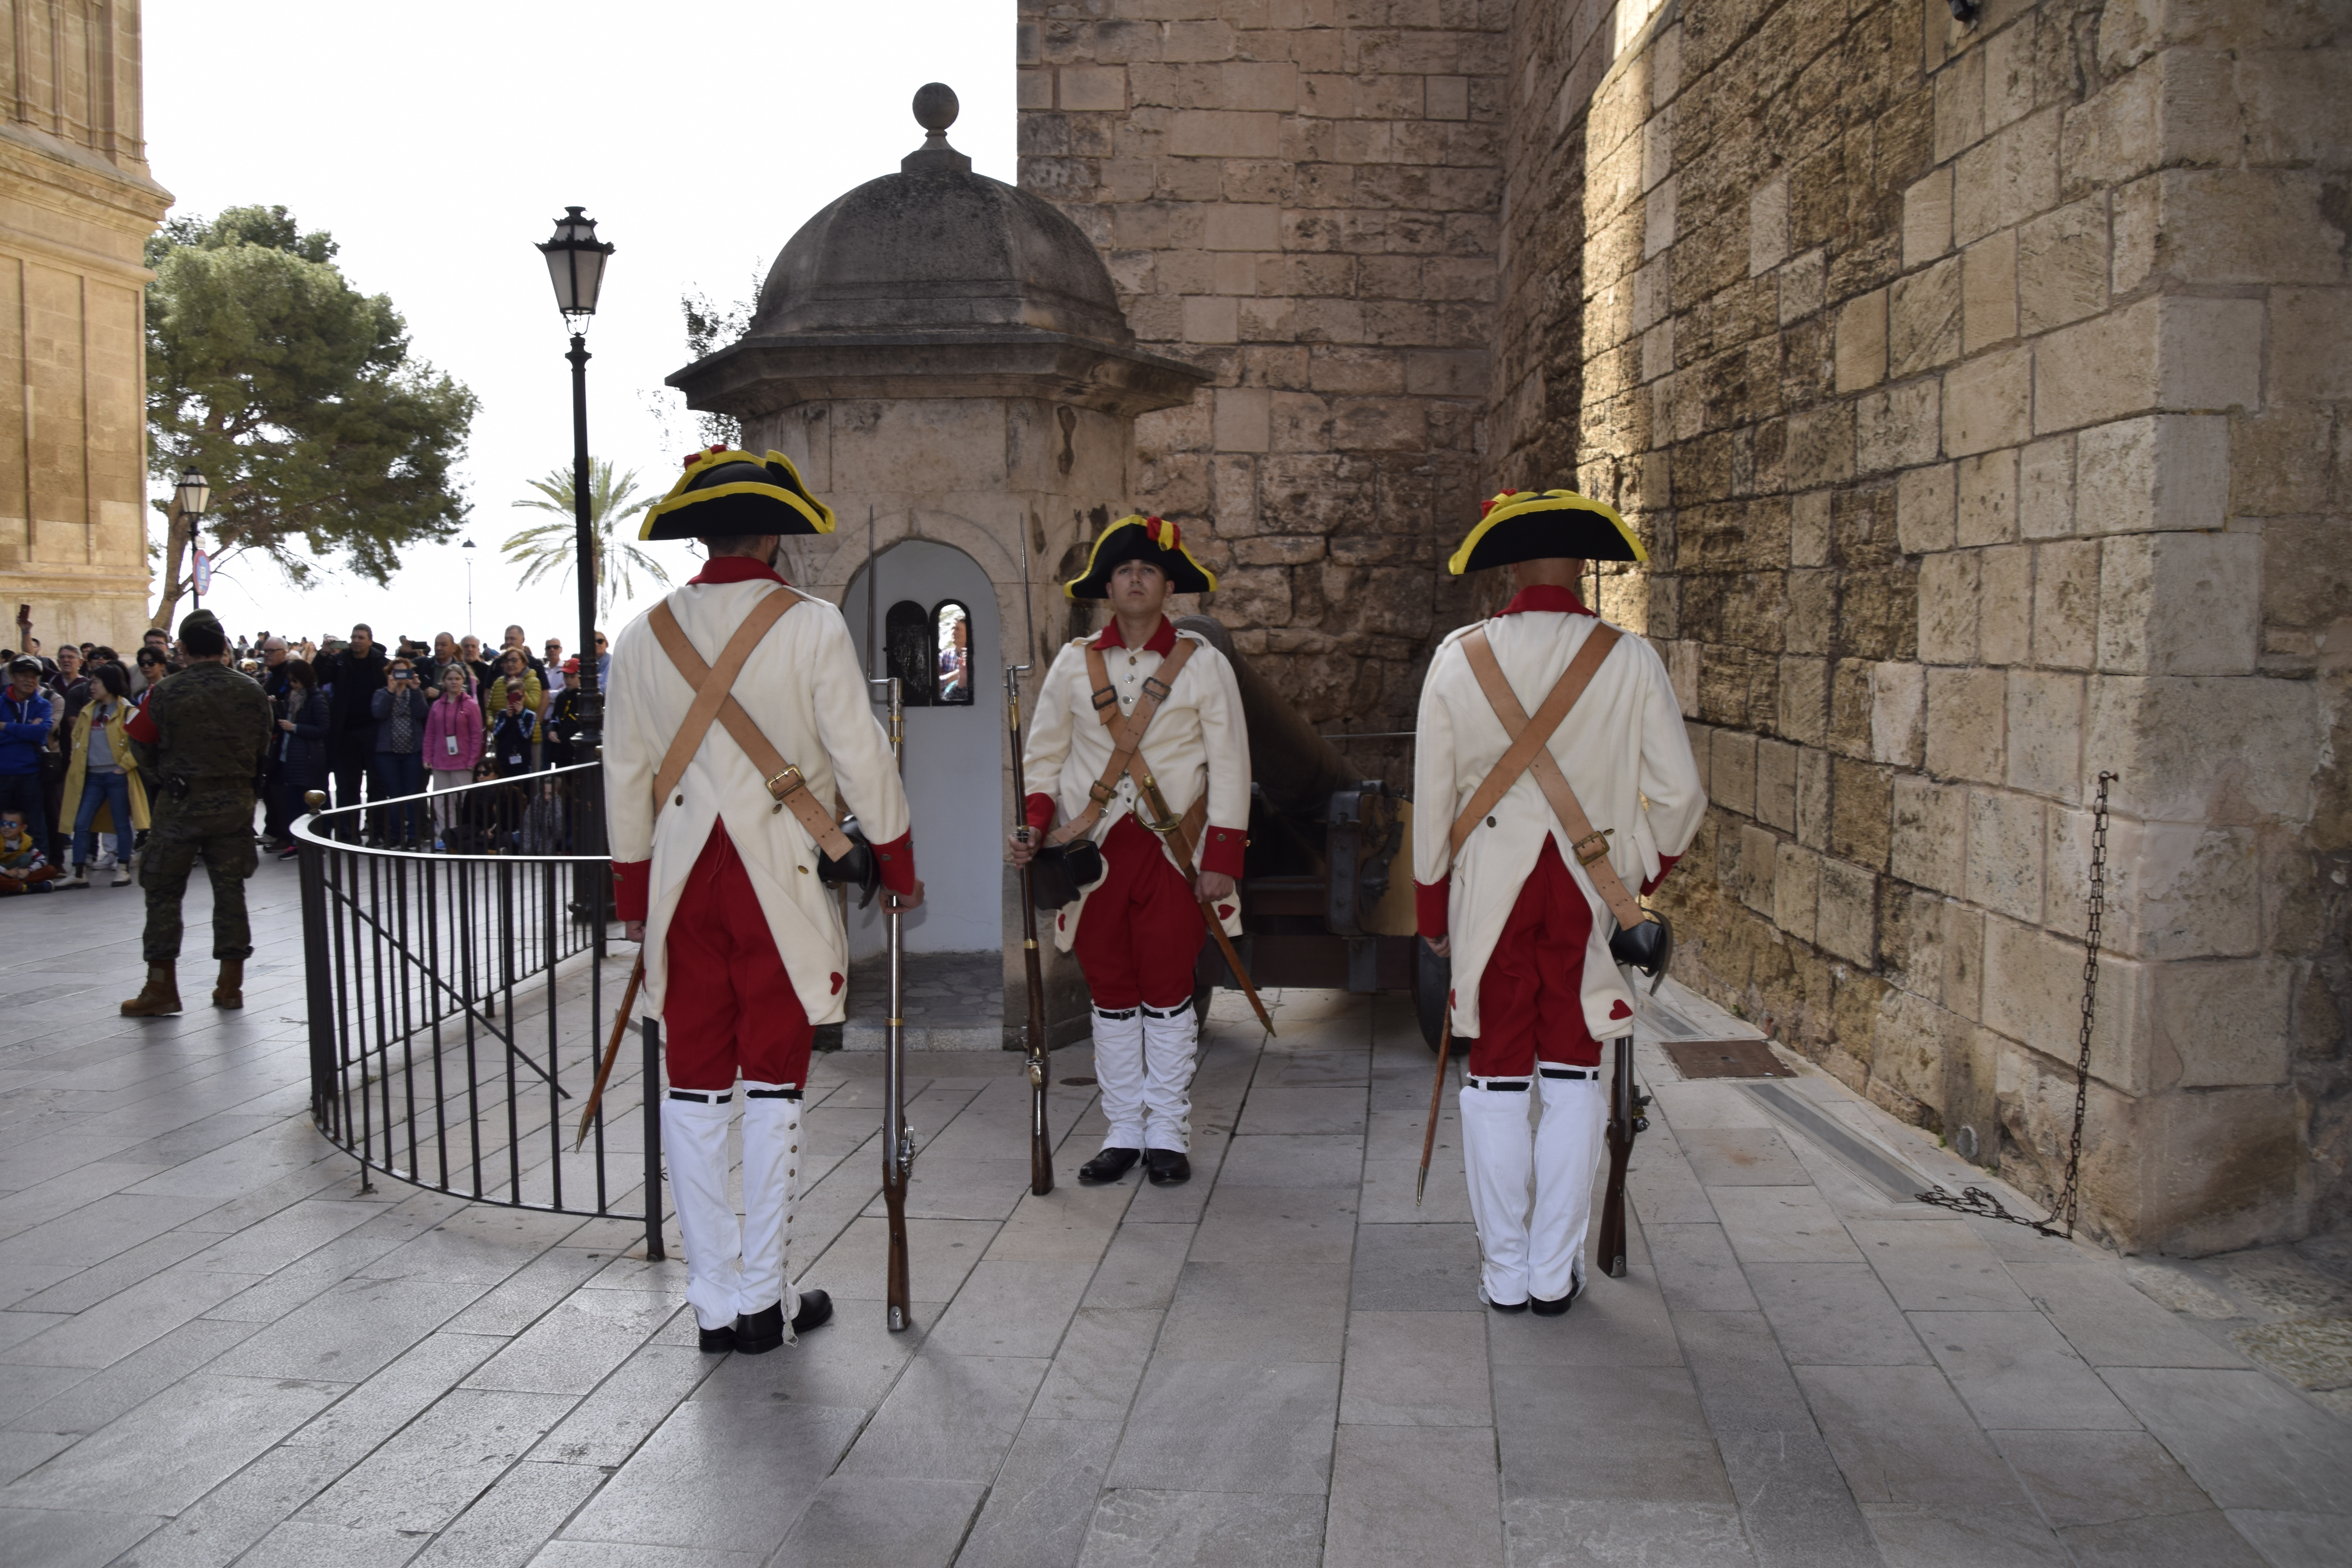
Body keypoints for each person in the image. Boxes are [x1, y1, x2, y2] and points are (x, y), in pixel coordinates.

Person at [608, 446, 924, 1355]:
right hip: (778, 884)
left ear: (696, 533)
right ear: (777, 536)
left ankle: (714, 1302)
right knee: (774, 1085)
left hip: (680, 890)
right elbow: (861, 756)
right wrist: (896, 864)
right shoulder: (810, 624)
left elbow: (625, 775)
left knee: (696, 1086)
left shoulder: (642, 634)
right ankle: (763, 1298)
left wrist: (634, 893)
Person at [1412, 489, 1706, 1316]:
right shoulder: (1629, 657)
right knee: (1574, 1079)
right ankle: (1551, 1273)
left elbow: (1432, 807)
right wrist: (1632, 880)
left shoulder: (1459, 657)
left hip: (1490, 901)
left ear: (1506, 564)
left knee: (1497, 1081)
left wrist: (1433, 915)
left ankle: (1503, 1272)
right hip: (1588, 897)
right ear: (1582, 564)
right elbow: (1679, 797)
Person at [1007, 514, 1249, 1189]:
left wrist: (1222, 858)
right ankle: (1122, 1131)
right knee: (1111, 993)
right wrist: (1035, 823)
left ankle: (1167, 1133)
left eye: (1147, 569)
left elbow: (1230, 764)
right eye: (1123, 570)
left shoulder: (1205, 666)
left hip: (1176, 853)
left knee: (1169, 992)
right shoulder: (1073, 662)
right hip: (1097, 855)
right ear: (1107, 587)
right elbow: (1045, 756)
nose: (1135, 579)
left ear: (1168, 585)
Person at [119, 609, 274, 1017]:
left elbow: (139, 743)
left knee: (164, 891)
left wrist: (166, 777)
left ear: (182, 649)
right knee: (230, 890)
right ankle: (230, 985)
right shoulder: (252, 690)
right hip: (235, 804)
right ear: (224, 647)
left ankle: (161, 988)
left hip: (182, 804)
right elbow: (264, 745)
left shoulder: (167, 691)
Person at [59, 663, 143, 888]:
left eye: (96, 682)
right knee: (81, 822)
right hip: (92, 776)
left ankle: (123, 868)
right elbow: (76, 741)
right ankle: (78, 872)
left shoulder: (128, 711)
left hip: (116, 775)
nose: (91, 686)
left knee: (121, 823)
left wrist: (122, 768)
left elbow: (140, 745)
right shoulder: (89, 711)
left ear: (110, 684)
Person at [324, 623, 387, 842]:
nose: (356, 641)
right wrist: (324, 653)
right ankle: (347, 832)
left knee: (376, 787)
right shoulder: (340, 661)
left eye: (361, 637)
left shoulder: (381, 663)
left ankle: (378, 831)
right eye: (353, 637)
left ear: (370, 640)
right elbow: (318, 676)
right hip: (345, 732)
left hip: (373, 730)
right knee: (347, 786)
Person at [272, 659, 330, 860]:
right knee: (295, 803)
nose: (292, 685)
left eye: (295, 681)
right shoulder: (292, 698)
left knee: (309, 804)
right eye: (290, 681)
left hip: (307, 759)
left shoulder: (316, 699)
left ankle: (314, 843)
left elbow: (323, 729)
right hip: (291, 757)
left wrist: (294, 728)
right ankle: (299, 842)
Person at [370, 656, 431, 848]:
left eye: (405, 672)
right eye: (396, 673)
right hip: (388, 752)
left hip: (412, 751)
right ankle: (396, 834)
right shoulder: (381, 693)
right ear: (390, 674)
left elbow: (423, 713)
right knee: (394, 794)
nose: (401, 677)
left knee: (413, 793)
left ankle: (415, 834)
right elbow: (378, 713)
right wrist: (391, 691)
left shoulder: (415, 692)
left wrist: (415, 690)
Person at [0, 656, 54, 859]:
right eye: (24, 675)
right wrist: (26, 730)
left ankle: (39, 866)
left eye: (34, 677)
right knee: (3, 825)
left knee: (35, 824)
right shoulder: (1, 703)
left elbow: (41, 734)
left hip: (31, 774)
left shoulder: (43, 705)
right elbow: (32, 732)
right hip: (3, 773)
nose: (30, 681)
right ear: (13, 677)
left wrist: (5, 726)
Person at [425, 663, 482, 845]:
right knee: (441, 802)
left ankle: (465, 834)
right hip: (440, 761)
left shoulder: (471, 705)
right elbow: (430, 734)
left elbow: (477, 735)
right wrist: (427, 757)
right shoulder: (436, 706)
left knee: (464, 801)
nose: (454, 682)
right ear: (444, 682)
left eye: (457, 679)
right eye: (450, 679)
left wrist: (474, 760)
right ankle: (445, 835)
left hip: (463, 762)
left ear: (463, 681)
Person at [0, 806, 53, 895]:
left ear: (23, 828)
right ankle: (26, 888)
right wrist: (7, 872)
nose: (6, 827)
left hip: (17, 874)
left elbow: (42, 860)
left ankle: (13, 887)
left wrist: (28, 870)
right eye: (3, 823)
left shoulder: (25, 842)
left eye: (12, 825)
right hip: (3, 873)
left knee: (50, 870)